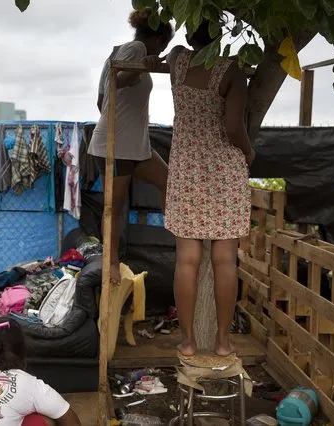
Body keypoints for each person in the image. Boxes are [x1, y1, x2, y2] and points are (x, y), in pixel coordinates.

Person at [162, 20, 254, 359]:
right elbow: (232, 127)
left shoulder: (176, 60)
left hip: (186, 171)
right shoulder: (232, 72)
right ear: (221, 36)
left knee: (187, 260)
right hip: (224, 173)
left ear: (189, 36)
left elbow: (171, 57)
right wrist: (248, 150)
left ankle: (187, 341)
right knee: (225, 260)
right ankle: (223, 342)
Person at [88, 8, 174, 284]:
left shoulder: (117, 51)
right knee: (114, 207)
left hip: (135, 145)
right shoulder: (136, 49)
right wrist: (138, 72)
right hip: (118, 146)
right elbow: (118, 80)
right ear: (160, 38)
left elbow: (101, 101)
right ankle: (111, 262)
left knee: (168, 181)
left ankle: (177, 236)